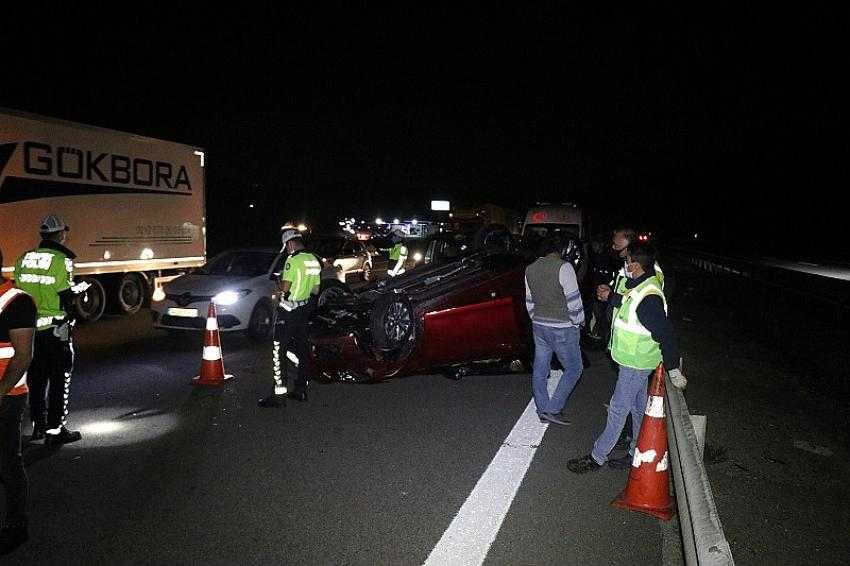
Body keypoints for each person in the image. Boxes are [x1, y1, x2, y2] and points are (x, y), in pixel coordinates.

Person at [567, 242, 686, 473]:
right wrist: (610, 295)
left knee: (618, 408)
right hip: (633, 361)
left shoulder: (649, 297)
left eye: (628, 261)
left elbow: (667, 334)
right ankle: (635, 451)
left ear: (636, 265)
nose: (625, 265)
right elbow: (626, 302)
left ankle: (597, 456)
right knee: (637, 406)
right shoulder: (638, 284)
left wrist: (673, 368)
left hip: (636, 363)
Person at [14, 215, 82, 446]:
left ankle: (38, 427)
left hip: (30, 331)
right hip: (55, 331)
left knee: (36, 379)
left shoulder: (24, 258)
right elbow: (66, 296)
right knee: (59, 379)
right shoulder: (62, 260)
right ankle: (56, 430)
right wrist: (81, 289)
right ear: (61, 234)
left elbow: (21, 292)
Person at [525, 237, 586, 426]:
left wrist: (536, 317)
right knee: (574, 368)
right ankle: (554, 409)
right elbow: (574, 300)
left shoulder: (530, 268)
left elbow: (529, 300)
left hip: (539, 325)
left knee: (540, 368)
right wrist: (579, 322)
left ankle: (542, 407)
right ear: (562, 250)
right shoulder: (564, 267)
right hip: (562, 327)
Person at [258, 228, 321, 407]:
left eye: (286, 246)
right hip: (304, 311)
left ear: (291, 243)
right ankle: (301, 390)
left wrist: (278, 288)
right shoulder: (314, 260)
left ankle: (278, 396)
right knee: (303, 351)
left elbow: (285, 288)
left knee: (278, 350)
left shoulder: (292, 260)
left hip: (288, 311)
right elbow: (316, 289)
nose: (286, 250)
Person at [0, 247, 36, 555]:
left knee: (7, 462)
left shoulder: (17, 302)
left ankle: (16, 525)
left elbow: (23, 357)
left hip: (6, 397)